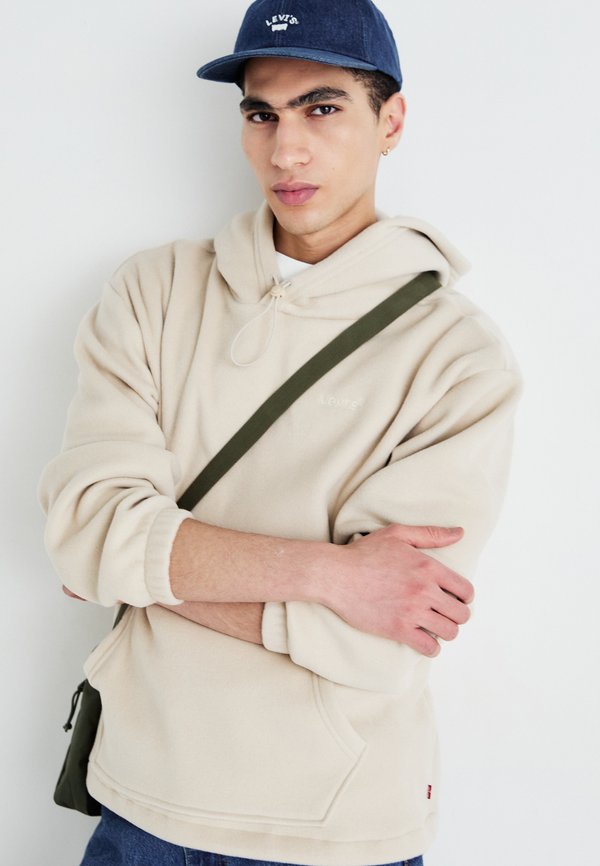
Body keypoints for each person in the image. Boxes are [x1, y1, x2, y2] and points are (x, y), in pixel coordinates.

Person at [38, 1, 522, 864]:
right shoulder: (154, 292)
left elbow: (378, 636)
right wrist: (330, 573)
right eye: (260, 114)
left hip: (335, 828)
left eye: (321, 108)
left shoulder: (458, 357)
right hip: (138, 801)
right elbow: (84, 530)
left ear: (391, 121)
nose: (285, 150)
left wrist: (138, 563)